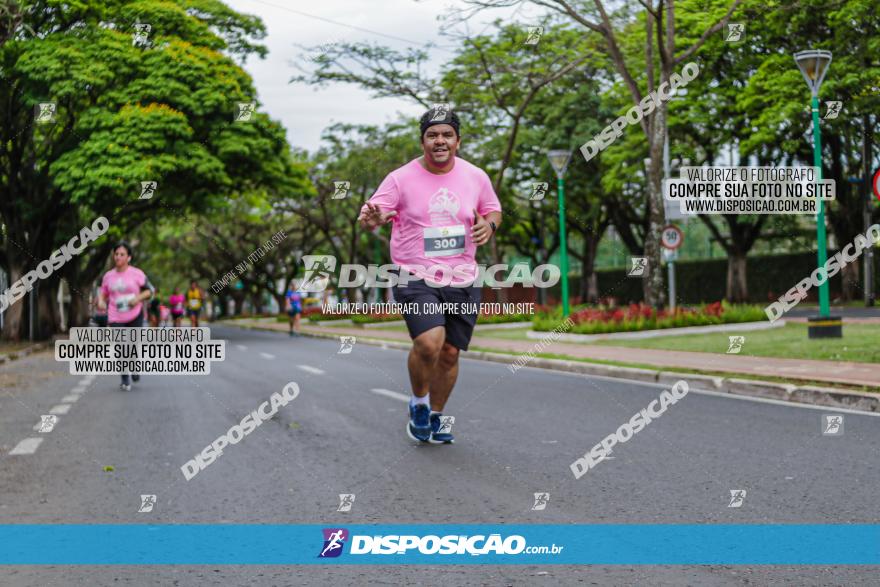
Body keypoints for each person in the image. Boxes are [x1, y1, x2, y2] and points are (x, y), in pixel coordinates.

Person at [357, 106, 502, 444]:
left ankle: (435, 416)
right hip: (414, 273)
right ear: (422, 141)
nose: (440, 141)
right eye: (433, 135)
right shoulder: (399, 178)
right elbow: (370, 215)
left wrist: (490, 224)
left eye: (447, 135)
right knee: (428, 343)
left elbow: (492, 208)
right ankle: (419, 403)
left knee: (450, 352)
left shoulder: (476, 176)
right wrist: (373, 219)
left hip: (462, 275)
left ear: (457, 141)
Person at [97, 241, 153, 391]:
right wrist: (102, 302)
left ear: (129, 257)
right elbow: (103, 294)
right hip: (115, 316)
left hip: (135, 315)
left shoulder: (137, 274)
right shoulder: (108, 276)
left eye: (122, 254)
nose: (118, 257)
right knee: (121, 348)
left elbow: (149, 291)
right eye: (116, 254)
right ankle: (124, 379)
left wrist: (137, 299)